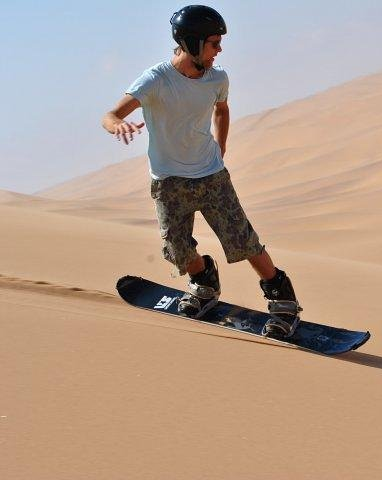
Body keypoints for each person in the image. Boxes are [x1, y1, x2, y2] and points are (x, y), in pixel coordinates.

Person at [101, 5, 301, 337]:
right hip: (168, 181)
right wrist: (117, 125)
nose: (219, 50)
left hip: (211, 175)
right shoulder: (156, 80)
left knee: (242, 240)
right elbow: (109, 114)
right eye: (213, 43)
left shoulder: (217, 78)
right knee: (177, 250)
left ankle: (283, 300)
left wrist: (220, 147)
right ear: (192, 43)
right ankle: (204, 280)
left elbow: (222, 110)